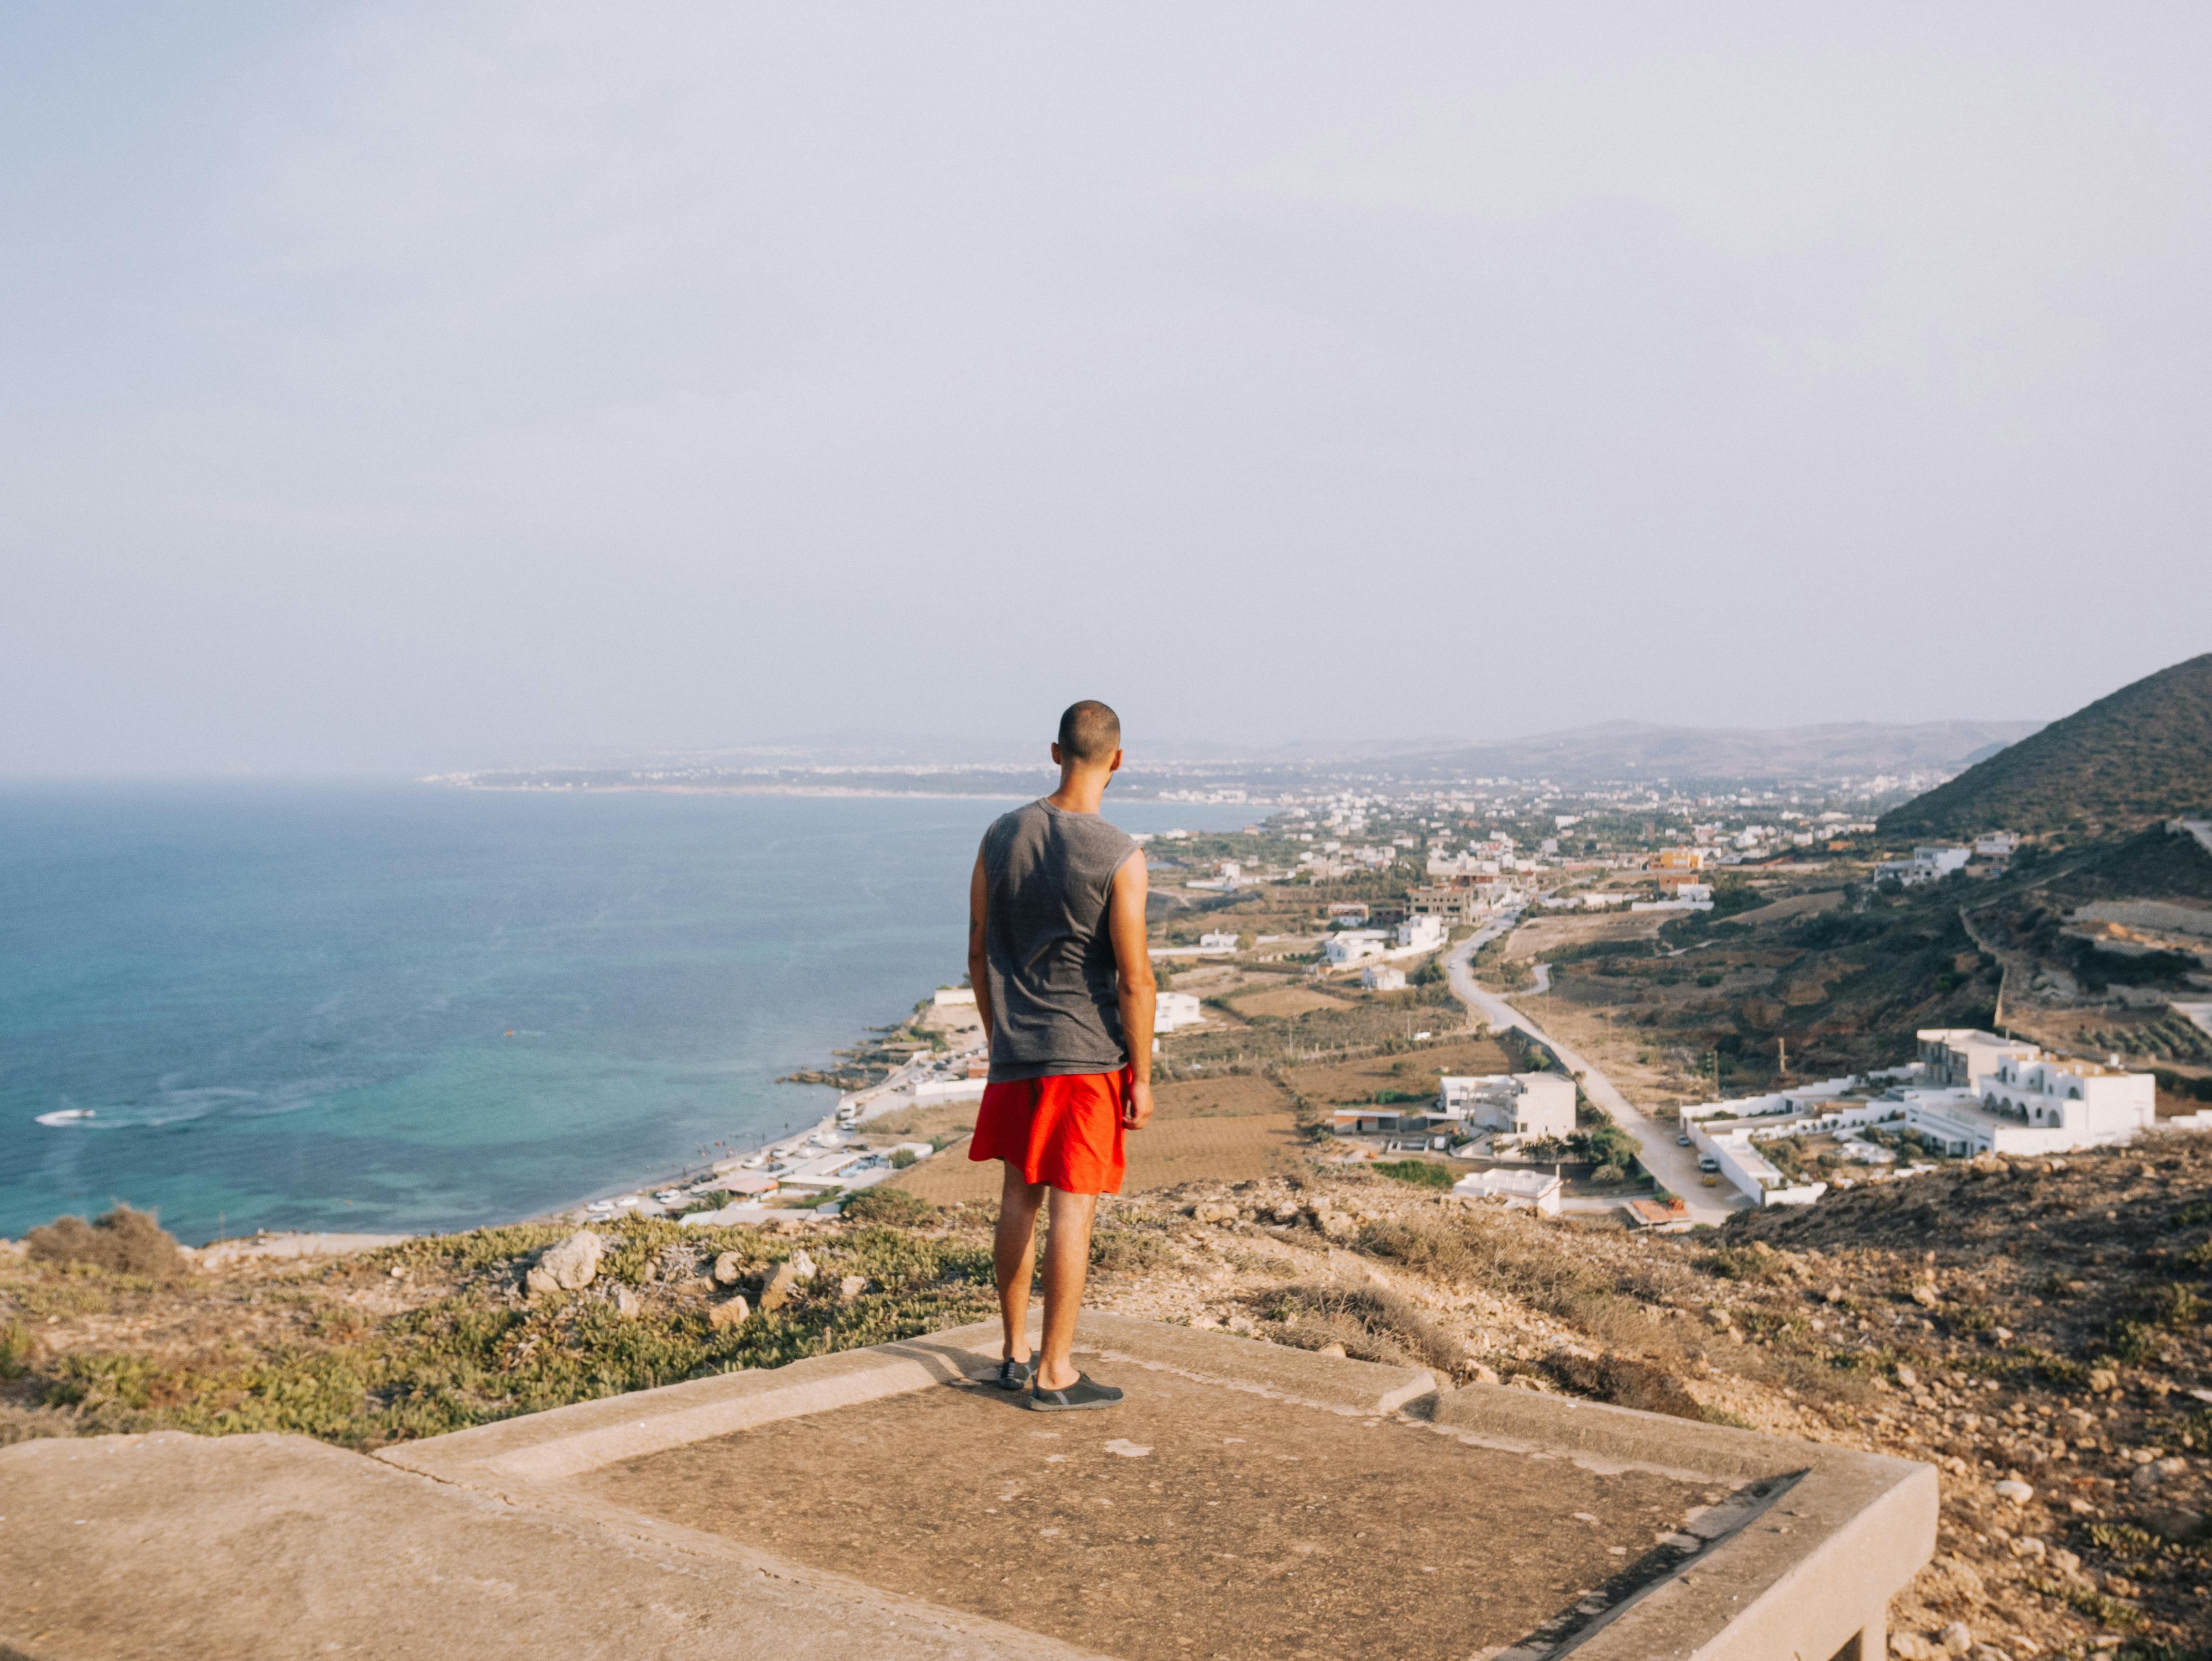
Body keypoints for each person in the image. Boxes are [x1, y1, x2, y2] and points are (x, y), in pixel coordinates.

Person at [966, 698, 1155, 1411]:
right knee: (1073, 1212)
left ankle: (1013, 1354)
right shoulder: (1120, 856)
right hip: (1084, 1062)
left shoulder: (999, 835)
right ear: (1117, 760)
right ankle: (1055, 1374)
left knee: (1018, 1197)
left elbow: (979, 949)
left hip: (1016, 1054)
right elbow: (1136, 979)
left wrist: (999, 1036)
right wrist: (1141, 1075)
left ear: (1054, 753)